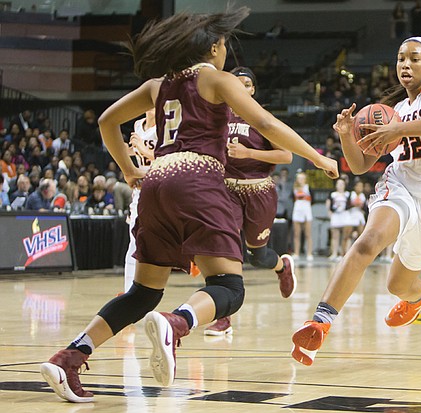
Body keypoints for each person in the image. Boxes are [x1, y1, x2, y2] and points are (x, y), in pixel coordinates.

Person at [39, 8, 338, 404]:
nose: (226, 53)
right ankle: (176, 323)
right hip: (196, 178)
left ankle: (70, 356)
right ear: (213, 47)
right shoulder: (216, 78)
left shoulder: (157, 86)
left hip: (156, 183)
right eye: (224, 46)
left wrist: (130, 171)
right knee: (229, 287)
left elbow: (107, 122)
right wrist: (318, 158)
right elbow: (266, 125)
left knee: (143, 293)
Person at [290, 36, 421, 366]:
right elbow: (359, 166)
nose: (405, 64)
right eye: (401, 58)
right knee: (367, 242)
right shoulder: (394, 112)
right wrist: (346, 134)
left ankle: (419, 296)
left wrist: (398, 131)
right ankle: (320, 322)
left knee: (398, 285)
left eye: (414, 59)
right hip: (401, 186)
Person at [204, 66, 297, 336]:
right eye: (236, 83)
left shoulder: (262, 118)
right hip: (227, 191)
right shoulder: (216, 117)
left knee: (259, 256)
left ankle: (282, 266)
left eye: (247, 83)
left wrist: (248, 153)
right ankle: (224, 317)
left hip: (258, 190)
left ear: (253, 89)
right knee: (226, 251)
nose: (242, 87)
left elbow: (286, 157)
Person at [123, 108, 157, 293]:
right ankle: (128, 293)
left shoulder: (167, 126)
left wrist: (144, 149)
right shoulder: (138, 125)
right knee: (134, 243)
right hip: (141, 188)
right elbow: (133, 153)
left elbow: (172, 156)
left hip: (163, 187)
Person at [291, 171, 314, 261]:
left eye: (302, 178)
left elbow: (313, 199)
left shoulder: (308, 188)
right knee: (297, 234)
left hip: (306, 211)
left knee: (308, 234)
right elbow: (293, 199)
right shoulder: (294, 188)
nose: (300, 180)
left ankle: (309, 253)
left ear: (305, 179)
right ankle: (296, 253)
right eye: (299, 178)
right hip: (297, 211)